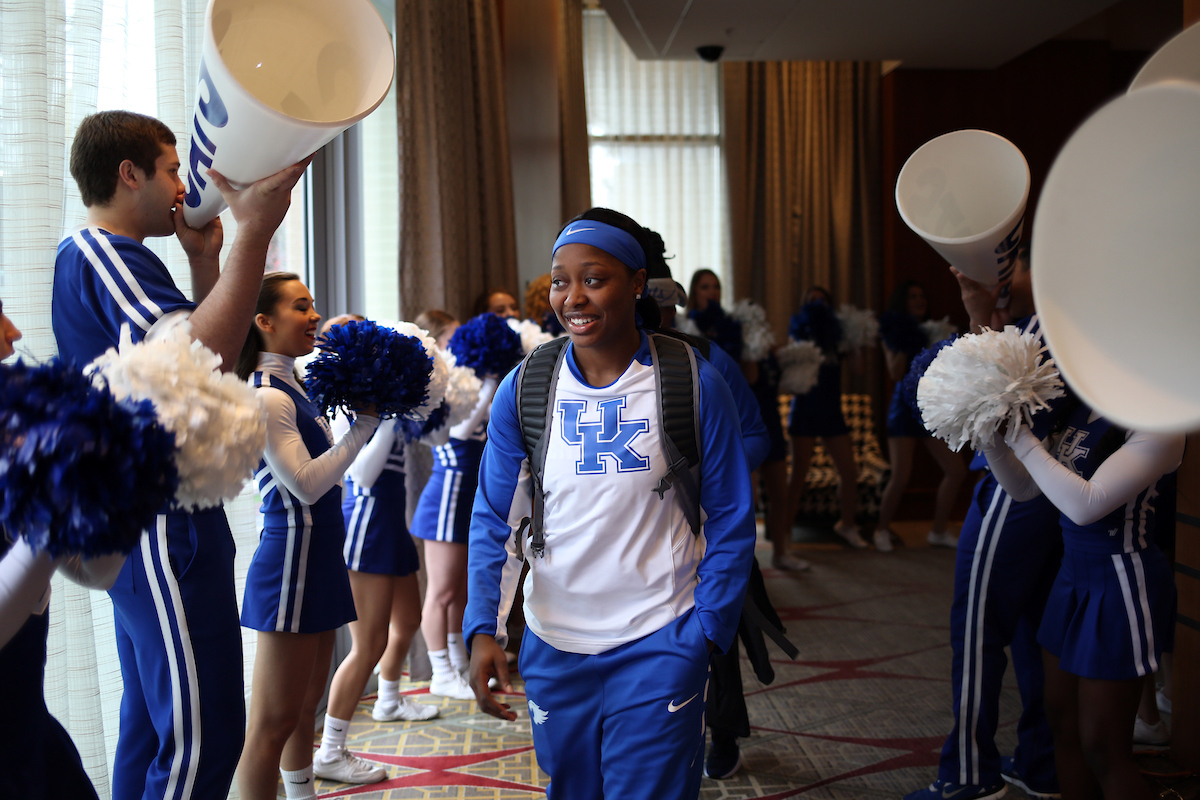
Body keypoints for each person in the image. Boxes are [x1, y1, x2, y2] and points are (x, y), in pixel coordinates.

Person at [51, 110, 309, 800]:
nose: (181, 189)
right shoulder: (101, 253)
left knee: (151, 726)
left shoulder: (119, 258)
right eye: (171, 171)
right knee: (204, 737)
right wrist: (255, 231)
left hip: (152, 518)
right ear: (127, 174)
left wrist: (204, 261)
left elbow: (196, 371)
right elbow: (204, 360)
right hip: (161, 524)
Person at [464, 208, 757, 800]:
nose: (574, 296)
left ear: (636, 283)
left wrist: (708, 628)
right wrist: (482, 629)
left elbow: (731, 514)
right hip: (555, 643)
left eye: (594, 278)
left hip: (660, 637)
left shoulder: (693, 382)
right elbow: (496, 519)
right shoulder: (525, 389)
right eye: (560, 280)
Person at [905, 250, 1063, 800]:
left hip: (1011, 494)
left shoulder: (1037, 331)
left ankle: (968, 773)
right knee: (1032, 634)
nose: (1000, 271)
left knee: (976, 631)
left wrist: (980, 314)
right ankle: (1042, 764)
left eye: (1012, 261)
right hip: (1052, 501)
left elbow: (996, 398)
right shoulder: (1064, 327)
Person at [979, 399, 1181, 799]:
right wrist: (989, 433)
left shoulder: (1161, 424)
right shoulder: (1084, 408)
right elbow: (1025, 488)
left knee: (1103, 747)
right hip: (1072, 576)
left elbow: (1084, 505)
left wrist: (1019, 433)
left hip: (1122, 580)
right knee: (1063, 724)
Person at [232, 274, 384, 799]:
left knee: (304, 710)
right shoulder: (267, 395)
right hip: (291, 560)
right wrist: (364, 427)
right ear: (264, 322)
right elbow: (304, 485)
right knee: (269, 728)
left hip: (317, 557)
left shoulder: (294, 383)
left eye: (313, 305)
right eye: (301, 307)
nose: (314, 315)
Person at [318, 313, 439, 761]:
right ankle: (331, 749)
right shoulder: (351, 405)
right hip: (367, 525)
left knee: (406, 622)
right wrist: (390, 412)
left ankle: (389, 699)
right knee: (367, 644)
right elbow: (363, 476)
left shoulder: (372, 397)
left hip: (391, 522)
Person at [409, 314, 501, 700]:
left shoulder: (469, 381)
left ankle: (459, 661)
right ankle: (440, 671)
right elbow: (460, 433)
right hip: (448, 491)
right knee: (441, 591)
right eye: (451, 338)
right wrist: (490, 385)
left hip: (468, 492)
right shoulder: (443, 384)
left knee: (461, 588)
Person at [875, 280, 967, 552]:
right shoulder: (892, 330)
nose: (919, 300)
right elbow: (894, 373)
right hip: (904, 406)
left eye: (922, 296)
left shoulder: (935, 331)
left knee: (957, 471)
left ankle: (938, 531)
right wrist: (905, 339)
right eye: (913, 296)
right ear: (903, 301)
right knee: (901, 475)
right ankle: (881, 529)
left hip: (930, 405)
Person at [787, 287, 864, 548]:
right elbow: (791, 378)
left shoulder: (837, 338)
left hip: (832, 411)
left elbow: (859, 370)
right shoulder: (798, 334)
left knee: (849, 473)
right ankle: (784, 533)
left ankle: (847, 525)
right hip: (805, 410)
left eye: (823, 300)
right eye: (812, 301)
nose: (818, 305)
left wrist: (854, 341)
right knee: (798, 476)